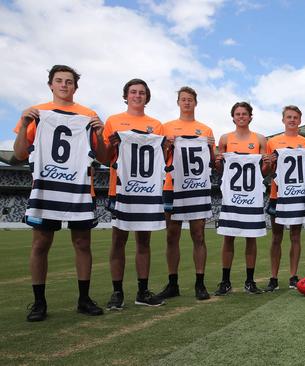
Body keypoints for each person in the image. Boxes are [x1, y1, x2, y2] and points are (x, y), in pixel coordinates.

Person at [13, 65, 106, 321]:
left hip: (78, 188)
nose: (64, 85)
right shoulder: (37, 113)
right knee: (41, 243)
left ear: (75, 87)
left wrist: (99, 132)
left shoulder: (88, 115)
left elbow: (104, 156)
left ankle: (84, 298)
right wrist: (24, 125)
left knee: (82, 243)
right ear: (51, 85)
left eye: (69, 81)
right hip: (46, 186)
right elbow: (20, 153)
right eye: (59, 81)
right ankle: (39, 302)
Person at [102, 79, 166, 309]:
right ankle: (117, 292)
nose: (137, 96)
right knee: (118, 240)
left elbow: (163, 156)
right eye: (133, 92)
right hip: (119, 188)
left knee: (143, 241)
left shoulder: (157, 126)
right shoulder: (113, 121)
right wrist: (111, 144)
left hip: (147, 190)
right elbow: (103, 156)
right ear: (126, 95)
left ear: (146, 97)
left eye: (141, 92)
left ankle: (142, 291)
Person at [157, 87, 214, 301]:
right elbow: (159, 160)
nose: (187, 103)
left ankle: (200, 283)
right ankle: (173, 284)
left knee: (198, 235)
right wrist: (167, 146)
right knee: (172, 236)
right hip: (172, 186)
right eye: (183, 99)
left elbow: (212, 162)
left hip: (197, 187)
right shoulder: (166, 127)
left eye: (190, 99)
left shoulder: (206, 130)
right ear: (178, 102)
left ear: (195, 103)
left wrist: (209, 149)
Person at [214, 102, 268, 295]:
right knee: (228, 237)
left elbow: (264, 171)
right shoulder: (225, 139)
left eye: (244, 114)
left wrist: (268, 163)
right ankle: (225, 281)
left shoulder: (260, 139)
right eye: (238, 114)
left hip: (252, 196)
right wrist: (218, 163)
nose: (241, 116)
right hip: (232, 196)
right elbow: (220, 171)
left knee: (251, 238)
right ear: (233, 117)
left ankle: (250, 281)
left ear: (250, 116)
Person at [263, 105, 305, 291]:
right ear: (283, 120)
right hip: (278, 195)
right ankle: (273, 277)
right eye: (289, 117)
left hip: (298, 195)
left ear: (300, 120)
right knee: (276, 237)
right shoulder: (273, 142)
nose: (292, 120)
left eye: (295, 117)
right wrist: (268, 163)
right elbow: (266, 171)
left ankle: (293, 275)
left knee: (295, 236)